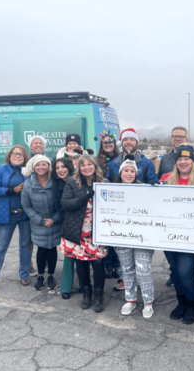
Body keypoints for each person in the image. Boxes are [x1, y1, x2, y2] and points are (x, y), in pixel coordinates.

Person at [160, 145, 194, 325]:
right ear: (176, 162)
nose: (183, 162)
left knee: (185, 272)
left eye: (187, 159)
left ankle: (193, 305)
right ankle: (181, 302)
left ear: (193, 162)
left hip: (192, 237)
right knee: (175, 271)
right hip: (169, 234)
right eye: (180, 159)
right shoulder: (166, 179)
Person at [158, 126, 194, 287]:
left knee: (187, 266)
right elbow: (159, 185)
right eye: (175, 136)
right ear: (171, 139)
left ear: (186, 138)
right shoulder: (165, 159)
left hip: (190, 222)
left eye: (181, 136)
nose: (177, 139)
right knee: (175, 261)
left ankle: (191, 275)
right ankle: (176, 276)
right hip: (171, 220)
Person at [61, 155, 108, 312]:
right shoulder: (72, 183)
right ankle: (86, 294)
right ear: (79, 168)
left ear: (95, 166)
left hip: (97, 233)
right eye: (83, 165)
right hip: (78, 231)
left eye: (90, 164)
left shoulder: (104, 183)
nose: (86, 167)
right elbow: (65, 203)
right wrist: (85, 196)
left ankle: (98, 295)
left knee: (98, 264)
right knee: (81, 264)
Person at [0, 145, 31, 294]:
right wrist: (12, 190)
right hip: (7, 215)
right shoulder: (0, 170)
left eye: (21, 155)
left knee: (25, 246)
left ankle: (24, 275)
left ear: (25, 158)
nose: (18, 156)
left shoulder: (28, 171)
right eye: (15, 154)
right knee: (0, 248)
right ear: (9, 155)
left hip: (25, 215)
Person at [113, 155, 155, 318]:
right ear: (121, 172)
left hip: (143, 238)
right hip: (121, 237)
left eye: (132, 171)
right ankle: (130, 300)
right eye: (126, 171)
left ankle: (148, 302)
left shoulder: (145, 189)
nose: (129, 174)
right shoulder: (112, 190)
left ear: (136, 174)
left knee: (143, 269)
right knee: (128, 269)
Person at [21, 155, 63, 290]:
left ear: (49, 167)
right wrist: (39, 220)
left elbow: (62, 203)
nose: (41, 167)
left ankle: (50, 275)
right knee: (41, 249)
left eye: (44, 164)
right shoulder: (28, 184)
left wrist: (54, 219)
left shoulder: (56, 182)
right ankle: (40, 276)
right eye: (38, 165)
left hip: (55, 221)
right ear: (33, 167)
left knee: (52, 249)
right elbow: (26, 206)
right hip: (38, 222)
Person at [95, 130, 122, 282]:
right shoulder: (96, 160)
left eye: (110, 143)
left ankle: (118, 266)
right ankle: (108, 265)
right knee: (105, 236)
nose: (108, 145)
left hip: (117, 202)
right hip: (102, 203)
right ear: (102, 145)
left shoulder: (119, 160)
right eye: (105, 143)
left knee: (116, 237)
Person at [52, 157, 77, 299]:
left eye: (63, 167)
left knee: (82, 254)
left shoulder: (78, 179)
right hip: (66, 220)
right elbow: (58, 205)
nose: (60, 170)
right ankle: (66, 287)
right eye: (57, 168)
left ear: (69, 167)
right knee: (69, 254)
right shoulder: (56, 184)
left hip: (82, 220)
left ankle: (82, 284)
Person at [27, 135, 47, 277]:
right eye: (35, 143)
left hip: (44, 205)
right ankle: (29, 265)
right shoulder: (25, 160)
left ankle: (43, 263)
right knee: (29, 239)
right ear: (30, 147)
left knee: (43, 237)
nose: (38, 145)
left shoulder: (48, 161)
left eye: (41, 143)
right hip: (30, 203)